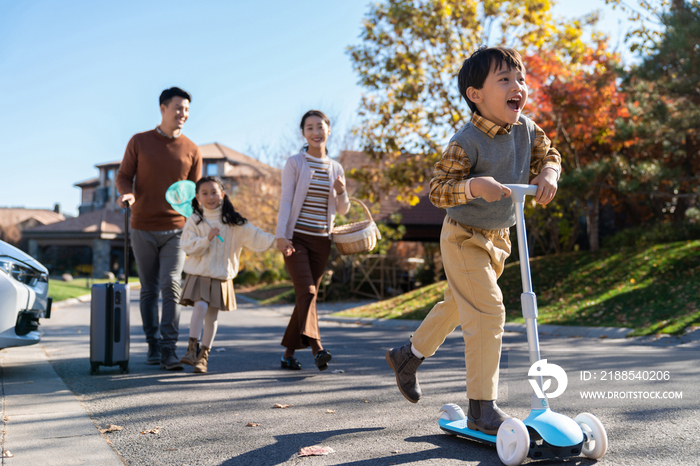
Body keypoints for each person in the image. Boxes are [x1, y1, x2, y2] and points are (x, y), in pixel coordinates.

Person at [385, 47, 562, 435]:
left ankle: (407, 357)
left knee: (458, 305)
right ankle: (482, 407)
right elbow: (438, 190)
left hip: (498, 238)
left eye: (521, 80)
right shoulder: (465, 142)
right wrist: (472, 186)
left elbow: (551, 153)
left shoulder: (527, 130)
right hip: (463, 236)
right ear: (475, 94)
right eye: (505, 80)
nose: (518, 87)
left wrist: (548, 172)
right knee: (488, 311)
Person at [116, 87, 202, 370]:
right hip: (142, 225)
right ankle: (152, 345)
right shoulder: (139, 141)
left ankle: (168, 350)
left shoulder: (192, 149)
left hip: (177, 229)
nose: (183, 114)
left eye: (187, 110)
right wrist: (127, 194)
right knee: (149, 289)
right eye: (178, 108)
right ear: (163, 108)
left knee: (171, 285)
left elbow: (194, 193)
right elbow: (124, 175)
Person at [275, 110, 350, 371]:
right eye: (310, 128)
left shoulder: (336, 167)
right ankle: (318, 349)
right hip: (297, 239)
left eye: (320, 126)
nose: (316, 132)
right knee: (307, 293)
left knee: (306, 297)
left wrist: (341, 192)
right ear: (303, 133)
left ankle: (287, 355)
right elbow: (285, 201)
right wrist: (281, 236)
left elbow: (342, 210)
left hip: (322, 242)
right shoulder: (295, 163)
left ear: (329, 130)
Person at [179, 177, 275, 373]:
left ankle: (203, 357)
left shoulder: (234, 222)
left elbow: (256, 236)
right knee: (200, 307)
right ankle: (191, 349)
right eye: (204, 193)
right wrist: (207, 238)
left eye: (214, 192)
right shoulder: (194, 220)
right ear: (197, 197)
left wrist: (278, 241)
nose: (210, 197)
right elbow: (187, 246)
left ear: (222, 194)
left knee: (212, 317)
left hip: (221, 276)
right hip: (199, 275)